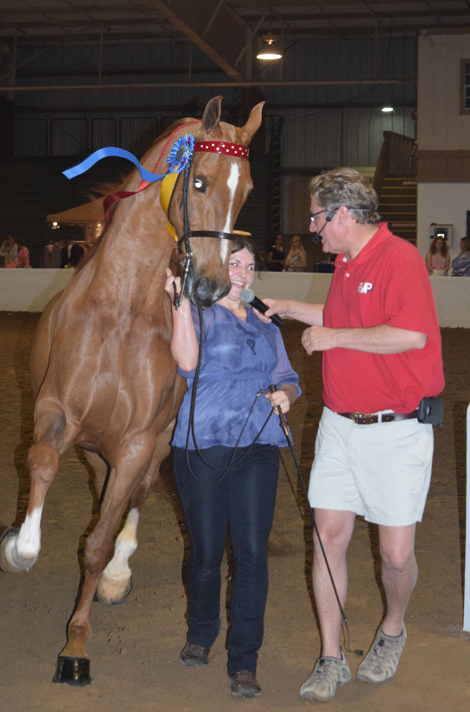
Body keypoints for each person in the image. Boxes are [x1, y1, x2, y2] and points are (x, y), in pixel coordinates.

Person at [259, 168, 444, 702]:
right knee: (329, 537)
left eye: (317, 216)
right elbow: (345, 316)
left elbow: (408, 333)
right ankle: (332, 656)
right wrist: (293, 310)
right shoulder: (345, 263)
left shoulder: (400, 259)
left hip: (397, 431)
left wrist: (332, 336)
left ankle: (392, 628)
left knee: (395, 555)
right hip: (340, 426)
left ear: (342, 215)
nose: (313, 228)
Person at [165, 235, 300, 699]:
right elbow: (186, 362)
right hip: (201, 446)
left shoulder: (267, 326)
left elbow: (288, 377)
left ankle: (244, 658)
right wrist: (181, 303)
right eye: (234, 265)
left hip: (258, 446)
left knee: (251, 555)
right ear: (217, 272)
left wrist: (287, 394)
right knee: (205, 555)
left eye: (249, 266)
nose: (242, 274)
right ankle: (201, 631)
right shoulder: (200, 314)